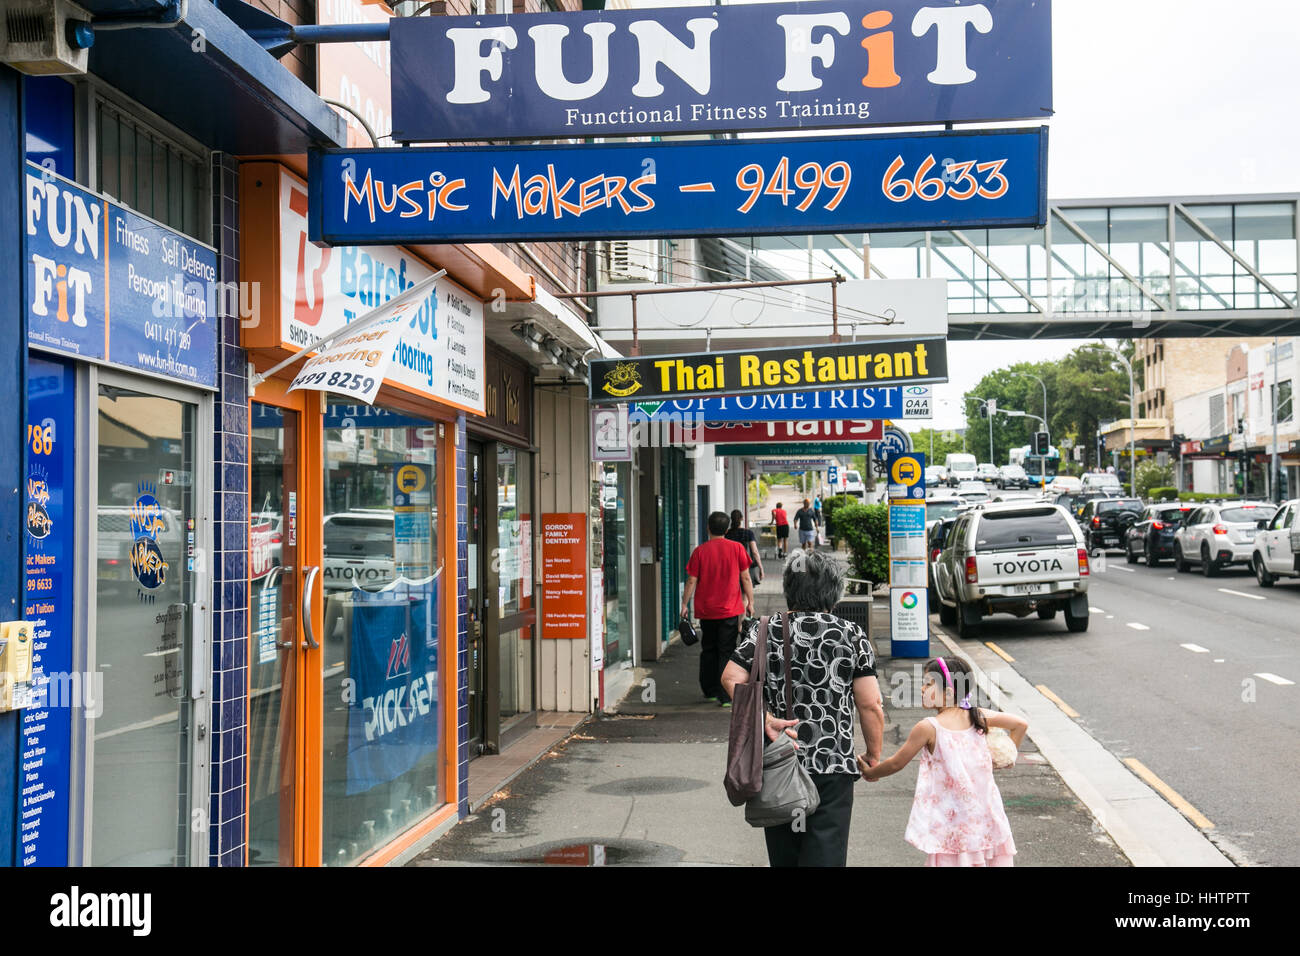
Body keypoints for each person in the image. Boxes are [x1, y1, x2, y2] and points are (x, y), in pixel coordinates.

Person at [723, 550, 884, 867]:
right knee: (826, 855)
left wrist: (764, 717)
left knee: (786, 857)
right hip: (833, 765)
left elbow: (731, 677)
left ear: (788, 588)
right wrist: (874, 755)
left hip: (780, 761)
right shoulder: (851, 635)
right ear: (834, 591)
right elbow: (870, 703)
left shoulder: (764, 630)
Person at [858, 656, 1027, 867]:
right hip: (987, 819)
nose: (922, 689)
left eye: (929, 684)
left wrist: (871, 772)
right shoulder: (978, 715)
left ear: (948, 692)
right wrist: (1004, 757)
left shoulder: (928, 727)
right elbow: (1020, 725)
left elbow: (896, 763)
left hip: (952, 826)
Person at [682, 511, 755, 707]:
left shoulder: (700, 551)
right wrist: (750, 602)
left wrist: (684, 604)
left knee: (708, 649)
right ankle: (725, 695)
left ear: (708, 528)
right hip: (730, 610)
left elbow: (691, 580)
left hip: (706, 610)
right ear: (727, 528)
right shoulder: (737, 548)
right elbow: (746, 577)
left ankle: (710, 690)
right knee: (727, 650)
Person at [725, 509, 763, 590]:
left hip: (730, 568)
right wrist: (761, 568)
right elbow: (755, 552)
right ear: (742, 519)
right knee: (745, 596)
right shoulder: (748, 533)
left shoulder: (727, 534)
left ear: (731, 519)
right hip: (746, 567)